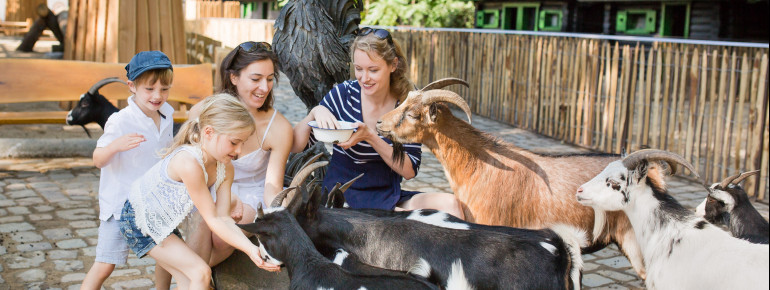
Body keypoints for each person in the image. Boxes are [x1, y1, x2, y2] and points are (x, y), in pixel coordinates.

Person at [291, 28, 464, 219]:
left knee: (452, 206)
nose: (364, 78)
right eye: (358, 69)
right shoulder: (343, 95)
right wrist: (314, 113)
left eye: (373, 70)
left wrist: (371, 137)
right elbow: (296, 146)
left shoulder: (406, 104)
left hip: (388, 194)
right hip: (342, 196)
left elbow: (409, 170)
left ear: (393, 65)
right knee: (407, 223)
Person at [119, 94, 281, 290]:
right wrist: (250, 249)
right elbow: (212, 219)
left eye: (243, 143)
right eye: (234, 142)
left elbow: (223, 218)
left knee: (188, 281)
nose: (238, 151)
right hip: (139, 219)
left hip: (164, 222)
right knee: (200, 272)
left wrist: (253, 250)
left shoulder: (225, 167)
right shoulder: (189, 163)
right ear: (209, 132)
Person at [183, 41, 293, 270]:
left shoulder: (279, 127)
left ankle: (194, 274)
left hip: (250, 195)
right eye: (255, 79)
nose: (264, 87)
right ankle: (197, 277)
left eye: (270, 79)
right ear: (234, 77)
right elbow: (189, 160)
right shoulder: (202, 112)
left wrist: (281, 214)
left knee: (222, 236)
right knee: (204, 215)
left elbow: (272, 185)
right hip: (210, 185)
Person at [81, 51, 176, 290]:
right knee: (105, 264)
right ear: (132, 86)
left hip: (155, 202)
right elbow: (98, 159)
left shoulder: (167, 115)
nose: (158, 96)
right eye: (150, 89)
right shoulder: (120, 120)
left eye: (164, 89)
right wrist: (115, 146)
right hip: (121, 205)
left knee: (168, 258)